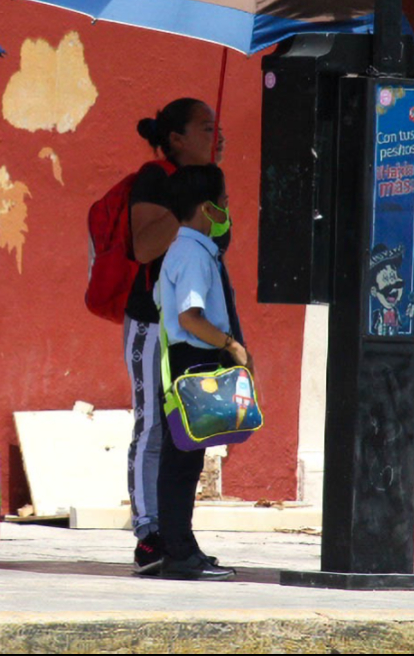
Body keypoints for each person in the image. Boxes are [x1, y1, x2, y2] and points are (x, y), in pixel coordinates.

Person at [123, 98, 226, 574]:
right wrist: (184, 206)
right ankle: (149, 533)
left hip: (192, 329)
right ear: (178, 138)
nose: (218, 136)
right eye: (206, 128)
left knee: (188, 429)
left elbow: (220, 242)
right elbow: (143, 247)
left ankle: (178, 533)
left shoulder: (210, 182)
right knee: (152, 424)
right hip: (151, 321)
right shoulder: (153, 178)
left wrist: (205, 193)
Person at [152, 163, 248, 580]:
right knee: (181, 461)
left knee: (187, 462)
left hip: (192, 361)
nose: (228, 208)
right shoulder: (191, 253)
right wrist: (230, 345)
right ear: (207, 209)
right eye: (223, 201)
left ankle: (184, 546)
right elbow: (191, 317)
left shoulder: (189, 250)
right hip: (192, 361)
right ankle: (177, 552)